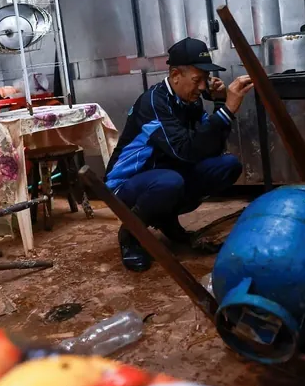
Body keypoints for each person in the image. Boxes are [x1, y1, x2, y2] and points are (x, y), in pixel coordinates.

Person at [104, 37, 254, 272]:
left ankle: (166, 219)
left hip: (165, 175)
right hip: (124, 186)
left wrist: (218, 104)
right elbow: (184, 150)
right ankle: (130, 236)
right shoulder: (154, 103)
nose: (203, 87)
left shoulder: (189, 101)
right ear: (175, 76)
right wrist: (228, 109)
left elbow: (209, 148)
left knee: (227, 166)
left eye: (205, 80)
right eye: (197, 80)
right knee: (170, 182)